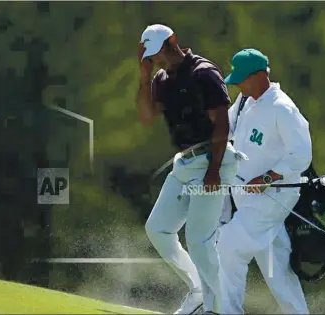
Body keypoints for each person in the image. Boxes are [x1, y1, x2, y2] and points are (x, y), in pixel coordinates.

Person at [137, 24, 239, 315]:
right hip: (185, 163)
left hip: (213, 160)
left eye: (161, 51)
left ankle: (216, 308)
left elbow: (221, 123)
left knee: (199, 239)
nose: (160, 59)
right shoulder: (160, 80)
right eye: (153, 57)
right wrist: (144, 80)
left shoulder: (203, 73)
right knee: (157, 229)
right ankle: (198, 290)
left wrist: (214, 171)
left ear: (173, 41)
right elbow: (146, 117)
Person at [216, 48, 312, 314]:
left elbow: (302, 155)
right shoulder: (247, 100)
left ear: (260, 76)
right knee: (276, 269)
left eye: (242, 80)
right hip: (248, 200)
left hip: (273, 197)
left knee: (227, 246)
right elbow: (230, 127)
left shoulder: (282, 108)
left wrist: (268, 177)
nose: (239, 86)